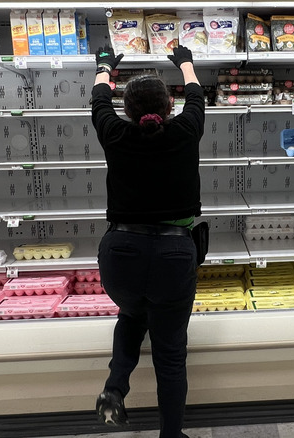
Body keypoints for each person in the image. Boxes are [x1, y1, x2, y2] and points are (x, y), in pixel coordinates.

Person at [91, 45, 205, 438]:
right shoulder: (186, 131)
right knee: (170, 355)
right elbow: (197, 95)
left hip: (121, 253)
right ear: (169, 106)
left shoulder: (114, 132)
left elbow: (99, 97)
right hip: (173, 253)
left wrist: (105, 65)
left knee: (132, 312)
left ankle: (113, 388)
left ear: (126, 109)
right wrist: (185, 63)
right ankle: (170, 436)